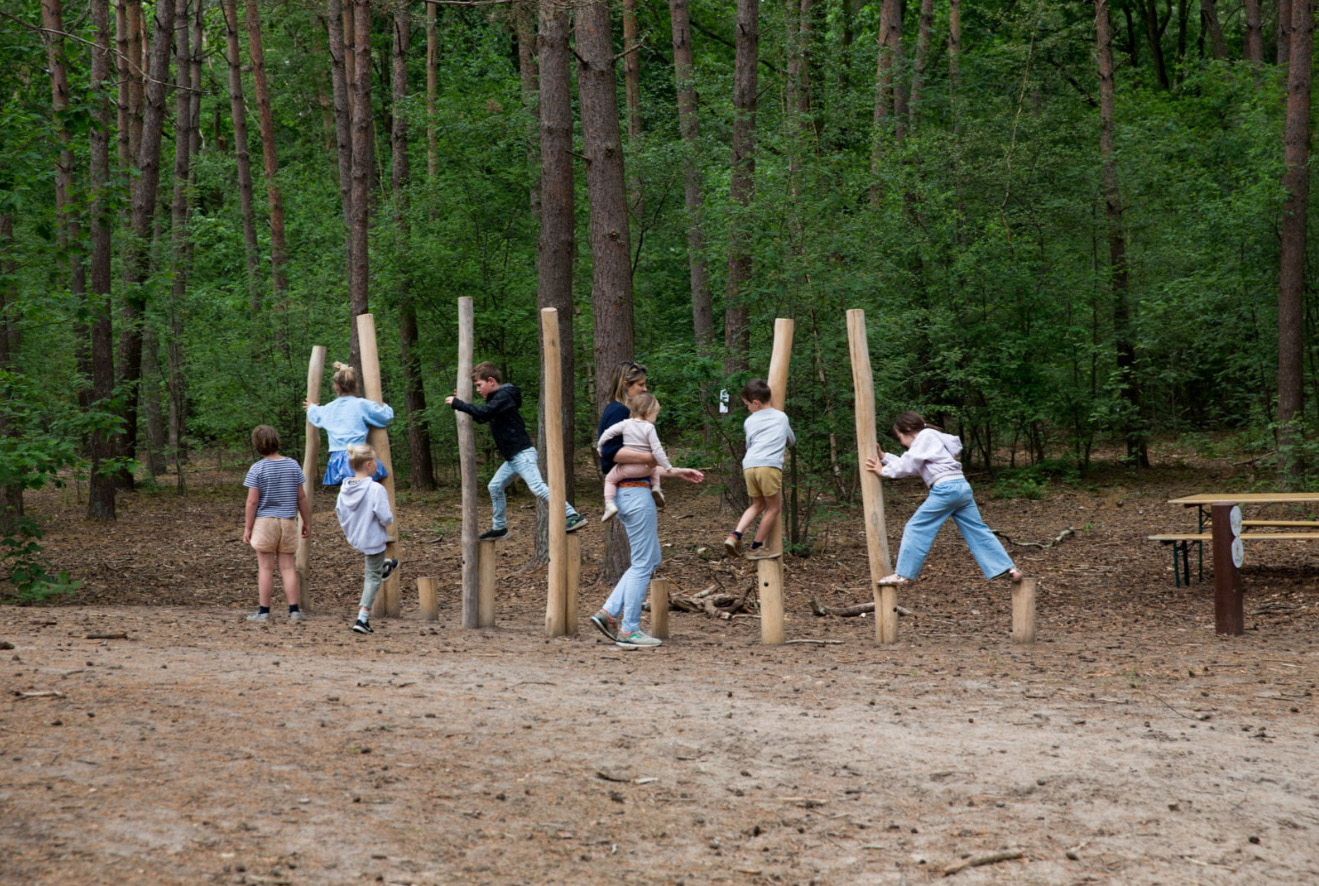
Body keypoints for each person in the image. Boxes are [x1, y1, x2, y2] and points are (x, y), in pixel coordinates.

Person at [864, 411, 1022, 586]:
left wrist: (882, 471)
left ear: (908, 429)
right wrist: (884, 457)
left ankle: (903, 574)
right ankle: (1008, 568)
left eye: (900, 437)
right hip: (961, 487)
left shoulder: (924, 437)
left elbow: (908, 464)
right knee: (977, 529)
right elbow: (914, 465)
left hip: (946, 489)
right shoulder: (931, 439)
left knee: (916, 527)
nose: (901, 443)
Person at [445, 361, 585, 539]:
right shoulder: (499, 399)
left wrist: (458, 403)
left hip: (522, 454)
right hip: (513, 458)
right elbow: (482, 416)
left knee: (538, 488)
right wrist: (462, 403)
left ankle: (572, 515)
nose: (478, 390)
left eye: (479, 385)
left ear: (491, 381)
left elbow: (483, 413)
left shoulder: (504, 397)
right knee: (495, 487)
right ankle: (500, 527)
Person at [588, 461, 704, 649]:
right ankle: (629, 630)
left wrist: (676, 472)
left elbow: (642, 466)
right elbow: (638, 459)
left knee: (652, 560)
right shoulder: (623, 434)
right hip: (635, 496)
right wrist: (652, 449)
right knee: (643, 563)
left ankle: (608, 612)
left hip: (632, 494)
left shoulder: (628, 444)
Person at [242, 425, 310, 623]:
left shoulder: (257, 468)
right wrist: (306, 521)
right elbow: (301, 497)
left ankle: (264, 612)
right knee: (288, 567)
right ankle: (294, 610)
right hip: (288, 521)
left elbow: (252, 501)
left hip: (265, 523)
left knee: (265, 568)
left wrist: (248, 527)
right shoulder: (293, 465)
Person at [724, 379, 794, 561]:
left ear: (756, 403)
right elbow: (791, 440)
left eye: (747, 404)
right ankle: (757, 547)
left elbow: (749, 444)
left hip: (749, 465)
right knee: (773, 508)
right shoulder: (781, 417)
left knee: (757, 505)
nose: (747, 408)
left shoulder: (749, 421)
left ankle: (735, 535)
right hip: (769, 466)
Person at [335, 443, 399, 634]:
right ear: (370, 464)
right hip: (372, 539)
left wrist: (353, 530)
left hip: (356, 537)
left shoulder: (344, 489)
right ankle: (362, 618)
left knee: (376, 566)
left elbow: (340, 513)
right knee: (372, 577)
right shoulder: (375, 489)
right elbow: (385, 516)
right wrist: (388, 520)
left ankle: (385, 566)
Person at [305, 361, 394, 486]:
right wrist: (382, 405)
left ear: (336, 387)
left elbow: (315, 416)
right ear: (355, 385)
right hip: (360, 455)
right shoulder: (362, 405)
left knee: (348, 490)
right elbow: (385, 416)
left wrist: (311, 407)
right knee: (366, 488)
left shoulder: (329, 408)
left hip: (338, 459)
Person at [597, 392, 670, 521]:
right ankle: (657, 488)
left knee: (609, 479)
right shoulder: (649, 428)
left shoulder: (625, 424)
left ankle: (609, 504)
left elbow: (607, 433)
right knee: (654, 469)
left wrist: (600, 446)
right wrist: (667, 466)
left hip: (627, 470)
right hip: (646, 470)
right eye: (656, 414)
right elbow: (657, 450)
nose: (656, 417)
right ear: (648, 412)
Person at [597, 360, 653, 479]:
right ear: (626, 385)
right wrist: (648, 457)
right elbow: (610, 451)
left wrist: (676, 472)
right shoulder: (618, 411)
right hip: (627, 488)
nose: (645, 389)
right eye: (641, 384)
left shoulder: (622, 411)